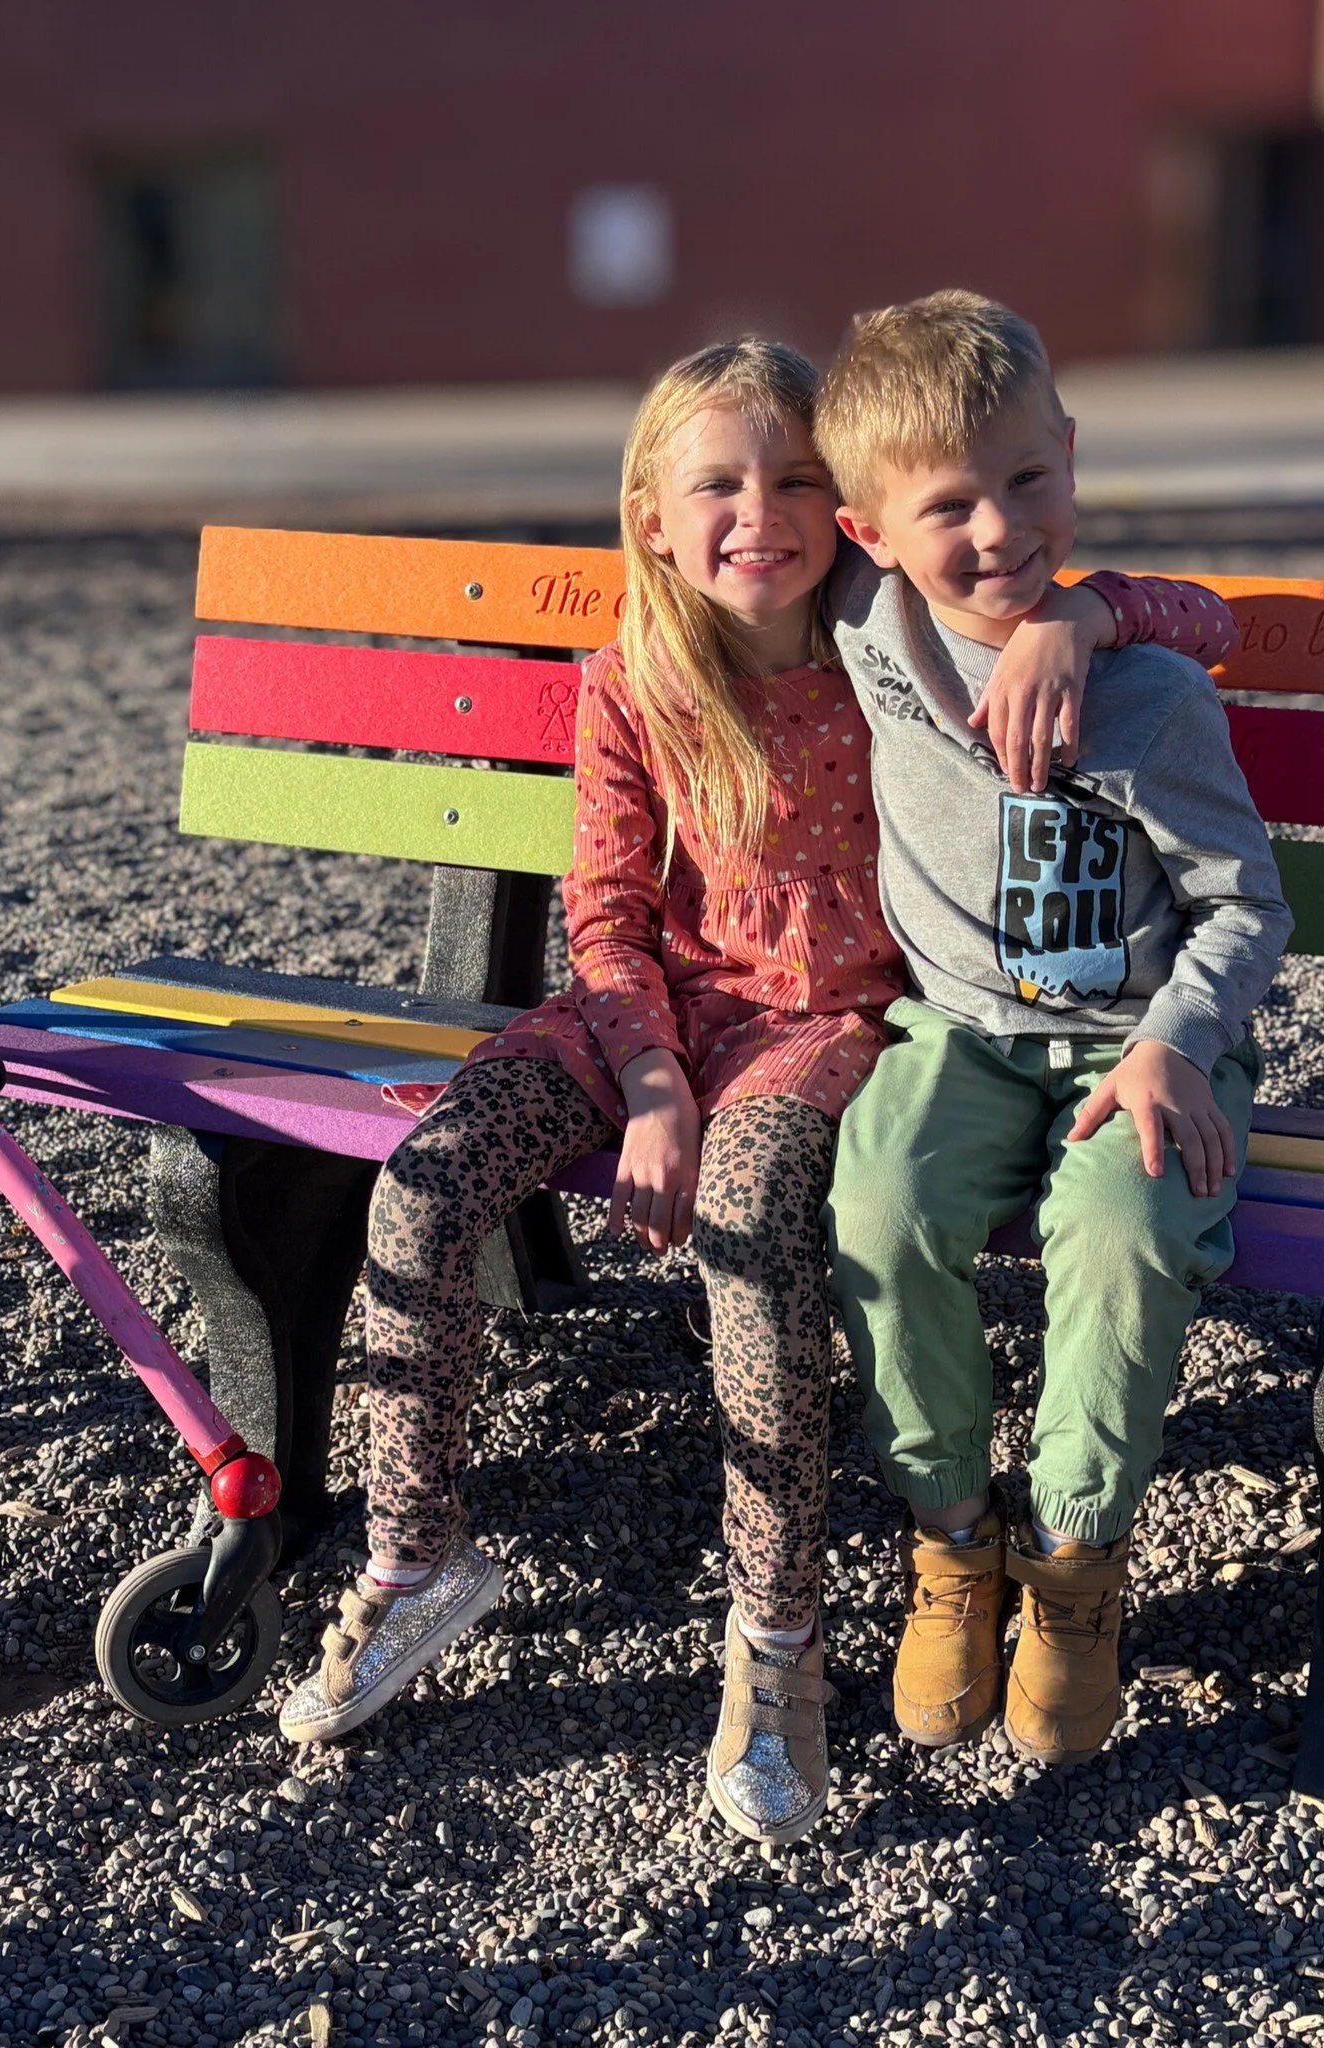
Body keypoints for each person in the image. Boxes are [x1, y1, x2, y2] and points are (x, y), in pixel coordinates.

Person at [278, 336, 1230, 1841]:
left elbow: (1195, 613)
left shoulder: (889, 626)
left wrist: (1087, 613)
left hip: (822, 1026)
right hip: (641, 1016)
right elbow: (600, 913)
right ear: (650, 515)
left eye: (794, 479)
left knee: (749, 1221)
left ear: (846, 512)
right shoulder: (634, 678)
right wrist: (648, 1078)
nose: (757, 513)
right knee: (425, 1183)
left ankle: (777, 1642)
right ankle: (413, 1557)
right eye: (714, 483)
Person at [816, 289, 1290, 1767]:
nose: (998, 530)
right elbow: (713, 547)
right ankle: (953, 1539)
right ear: (869, 533)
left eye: (1028, 480)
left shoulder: (1145, 694)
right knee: (876, 1204)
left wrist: (1176, 1039)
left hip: (1136, 1042)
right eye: (946, 503)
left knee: (1122, 1228)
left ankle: (1076, 1565)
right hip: (954, 1034)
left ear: (1070, 458)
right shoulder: (863, 633)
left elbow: (1243, 905)